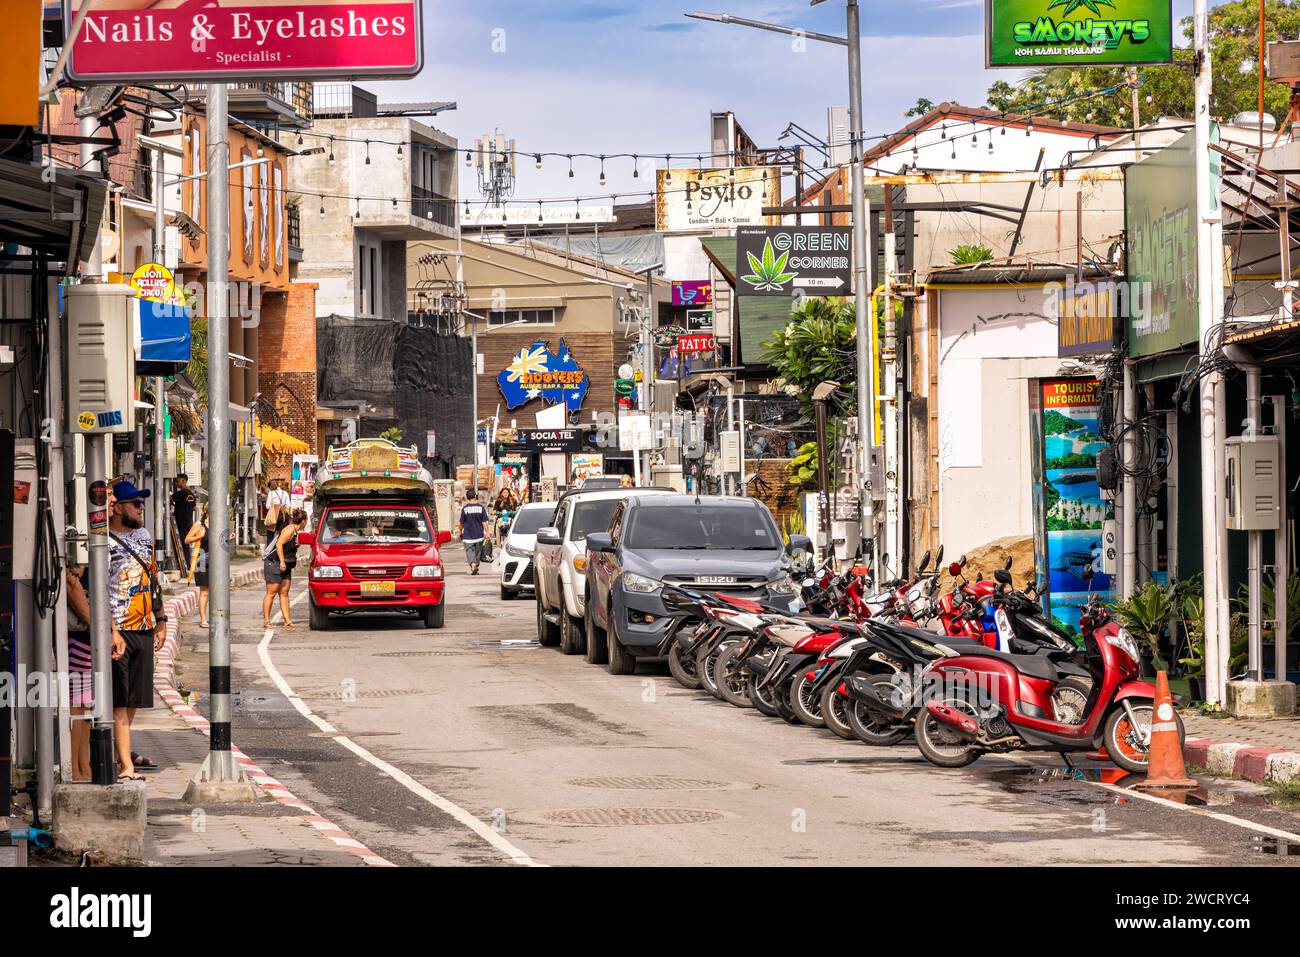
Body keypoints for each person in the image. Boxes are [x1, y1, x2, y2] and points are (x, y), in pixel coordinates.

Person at [107, 480, 166, 781]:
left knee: (135, 701)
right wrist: (112, 630)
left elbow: (153, 578)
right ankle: (126, 767)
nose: (141, 509)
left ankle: (123, 752)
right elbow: (99, 591)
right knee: (119, 701)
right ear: (117, 507)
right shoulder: (102, 542)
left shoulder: (144, 536)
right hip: (119, 629)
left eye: (142, 503)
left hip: (144, 626)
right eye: (135, 504)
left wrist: (162, 619)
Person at [262, 508, 307, 628]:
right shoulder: (290, 529)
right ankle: (266, 621)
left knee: (284, 593)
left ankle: (287, 620)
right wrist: (282, 561)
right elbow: (279, 544)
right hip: (275, 563)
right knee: (271, 593)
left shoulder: (296, 532)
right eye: (306, 520)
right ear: (303, 521)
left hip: (287, 565)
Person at [186, 502, 212, 627]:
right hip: (201, 559)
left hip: (216, 561)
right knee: (204, 591)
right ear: (207, 512)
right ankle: (203, 620)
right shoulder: (199, 524)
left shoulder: (219, 524)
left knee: (216, 591)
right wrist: (199, 537)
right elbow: (187, 540)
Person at [457, 489, 489, 575]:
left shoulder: (465, 509)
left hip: (468, 536)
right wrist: (487, 532)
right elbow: (484, 522)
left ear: (467, 498)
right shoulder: (481, 508)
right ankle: (475, 566)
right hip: (479, 535)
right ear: (475, 496)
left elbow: (461, 523)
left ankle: (473, 565)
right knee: (478, 552)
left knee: (469, 551)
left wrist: (460, 532)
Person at [170, 473, 196, 567]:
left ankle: (186, 564)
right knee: (186, 544)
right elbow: (194, 508)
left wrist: (172, 504)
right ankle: (188, 563)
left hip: (181, 522)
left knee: (183, 544)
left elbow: (169, 498)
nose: (176, 483)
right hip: (189, 522)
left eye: (177, 481)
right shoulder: (191, 494)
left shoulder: (182, 493)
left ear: (183, 481)